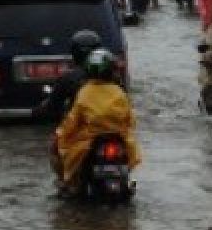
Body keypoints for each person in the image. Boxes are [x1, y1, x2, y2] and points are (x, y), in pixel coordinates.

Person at [54, 49, 141, 191]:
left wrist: (62, 135)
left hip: (90, 139)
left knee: (67, 154)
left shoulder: (85, 92)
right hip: (119, 137)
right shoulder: (119, 91)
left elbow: (73, 121)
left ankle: (70, 183)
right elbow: (130, 119)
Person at [36, 31, 103, 121]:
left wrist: (37, 111)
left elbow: (51, 107)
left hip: (81, 128)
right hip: (112, 128)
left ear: (74, 53)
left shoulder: (68, 78)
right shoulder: (112, 75)